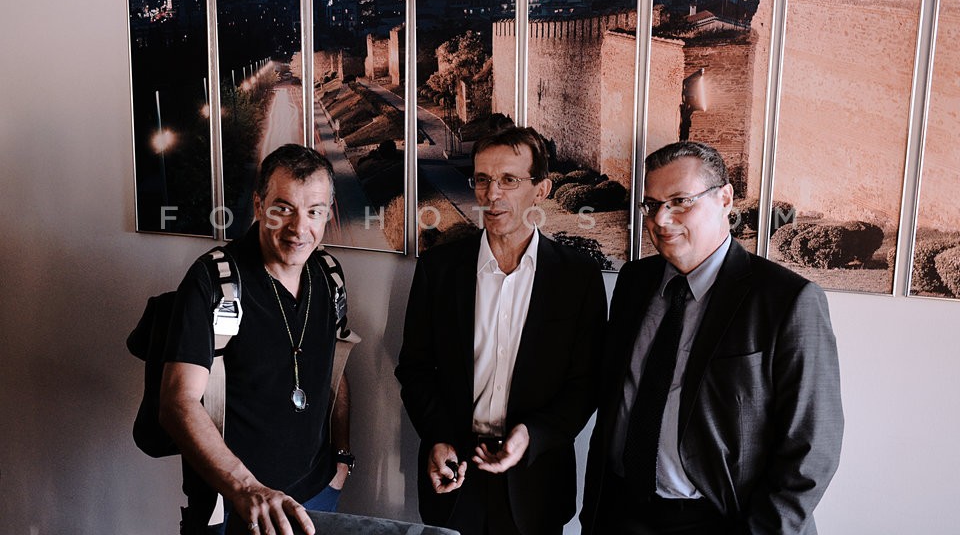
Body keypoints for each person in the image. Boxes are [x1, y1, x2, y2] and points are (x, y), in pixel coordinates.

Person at [580, 141, 843, 535]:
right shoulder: (634, 282)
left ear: (725, 199)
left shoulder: (787, 300)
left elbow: (812, 447)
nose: (661, 219)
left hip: (722, 520)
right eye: (651, 205)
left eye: (680, 201)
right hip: (620, 513)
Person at [396, 125, 607, 535]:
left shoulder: (577, 277)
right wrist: (438, 436)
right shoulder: (439, 269)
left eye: (509, 180)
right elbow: (415, 368)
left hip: (536, 482)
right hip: (454, 473)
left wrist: (532, 436)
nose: (492, 194)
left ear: (541, 189)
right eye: (482, 180)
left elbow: (586, 385)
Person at [160, 144, 354, 535]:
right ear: (258, 205)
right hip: (236, 505)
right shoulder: (214, 280)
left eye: (314, 212)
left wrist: (342, 458)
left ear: (328, 213)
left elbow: (335, 370)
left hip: (318, 495)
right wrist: (246, 489)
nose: (299, 228)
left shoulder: (328, 274)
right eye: (283, 208)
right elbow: (177, 402)